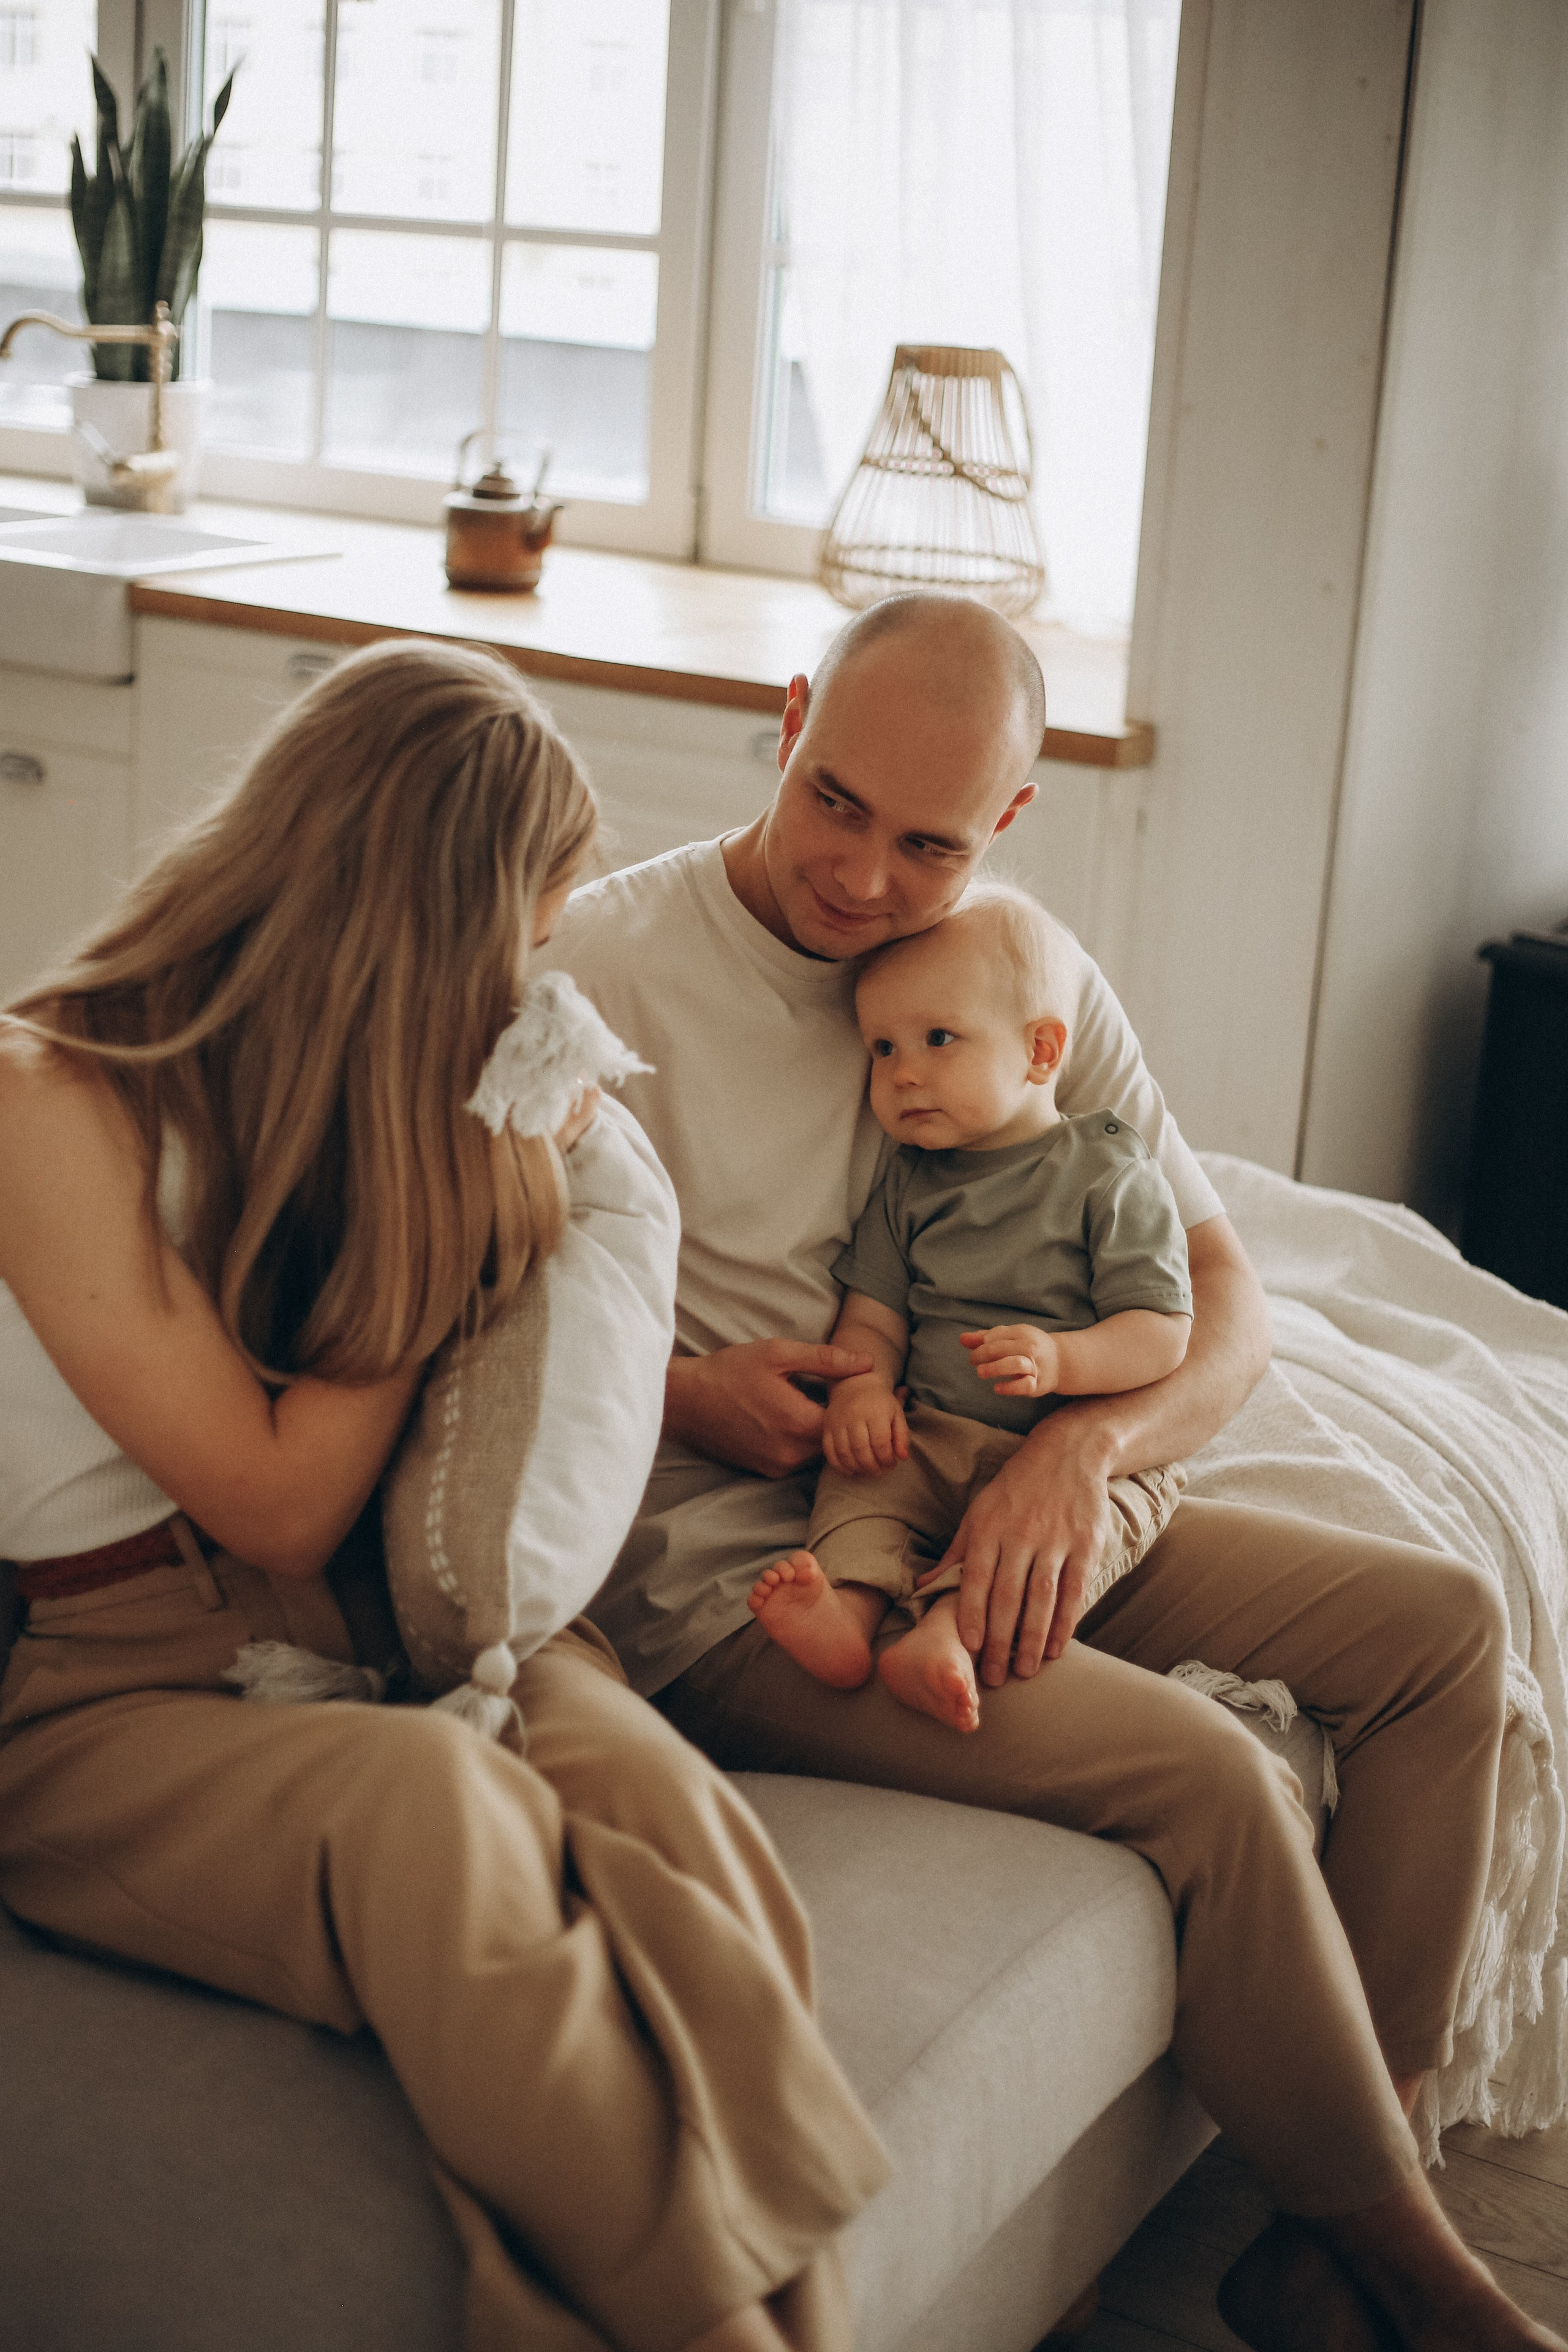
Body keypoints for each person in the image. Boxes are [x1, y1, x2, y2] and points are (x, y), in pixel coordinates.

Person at [548, 592, 1560, 2352]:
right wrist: (689, 1393)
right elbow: (450, 1321)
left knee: (1445, 1639)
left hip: (989, 1493)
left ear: (1006, 822)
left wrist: (1083, 1452)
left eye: (928, 843)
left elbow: (1223, 1302)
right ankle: (1414, 2266)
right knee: (1212, 1783)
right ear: (790, 718)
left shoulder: (1020, 975)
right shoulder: (601, 973)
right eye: (835, 801)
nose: (864, 878)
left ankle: (1330, 2221)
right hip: (753, 1585)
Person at [0, 640, 889, 2352]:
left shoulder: (342, 1088)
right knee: (443, 1814)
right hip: (120, 1693)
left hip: (375, 1617)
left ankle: (814, 2330)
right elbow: (266, 1500)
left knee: (660, 1801)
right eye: (524, 927)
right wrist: (464, 1183)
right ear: (420, 916)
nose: (534, 968)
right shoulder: (44, 1097)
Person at [747, 884, 1191, 1733]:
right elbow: (874, 1319)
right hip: (936, 1431)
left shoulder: (1107, 1171)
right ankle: (848, 1609)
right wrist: (863, 1394)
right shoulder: (909, 1183)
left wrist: (1065, 1362)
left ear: (1041, 1050)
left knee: (1081, 1534)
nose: (903, 1072)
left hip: (1063, 1450)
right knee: (863, 1488)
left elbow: (1162, 1333)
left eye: (938, 1039)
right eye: (882, 1048)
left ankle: (946, 1635)